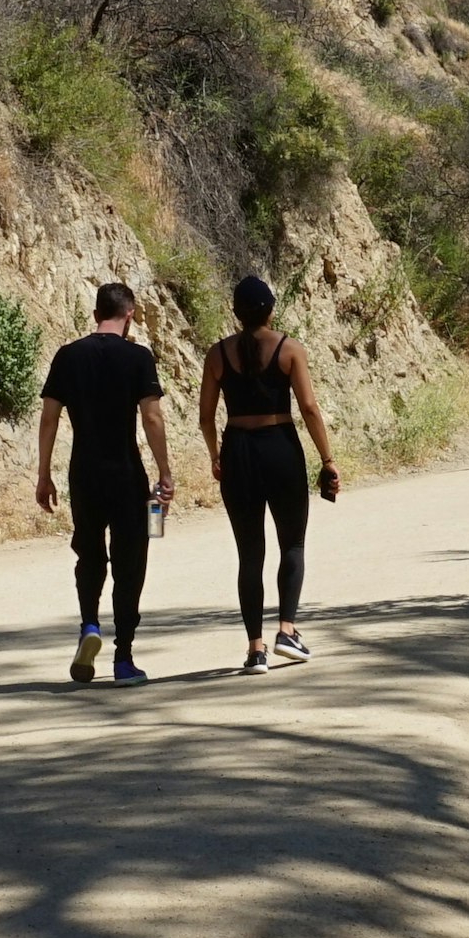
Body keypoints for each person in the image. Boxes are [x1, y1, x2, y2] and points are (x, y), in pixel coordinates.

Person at [197, 274, 339, 674]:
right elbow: (309, 408)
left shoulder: (217, 354)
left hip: (237, 449)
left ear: (236, 312)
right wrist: (327, 460)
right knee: (291, 543)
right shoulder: (288, 348)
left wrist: (215, 455)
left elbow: (206, 417)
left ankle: (255, 649)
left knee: (249, 554)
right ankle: (287, 631)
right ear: (271, 309)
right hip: (279, 446)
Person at [36, 280, 175, 683]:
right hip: (126, 473)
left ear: (96, 315)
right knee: (131, 561)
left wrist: (44, 475)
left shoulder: (67, 356)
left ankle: (89, 626)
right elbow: (152, 418)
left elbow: (49, 418)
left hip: (83, 473)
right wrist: (165, 472)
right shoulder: (138, 358)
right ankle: (124, 658)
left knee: (89, 553)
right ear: (129, 314)